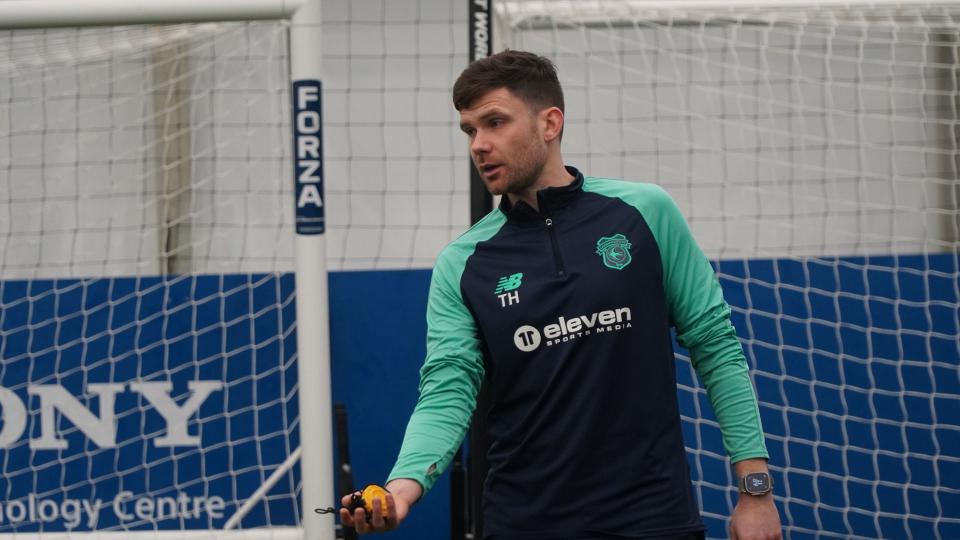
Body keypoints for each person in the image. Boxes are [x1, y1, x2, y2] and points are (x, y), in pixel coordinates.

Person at [340, 49, 782, 540]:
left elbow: (716, 345)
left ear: (550, 123)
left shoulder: (644, 213)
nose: (479, 145)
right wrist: (402, 488)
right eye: (470, 130)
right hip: (524, 524)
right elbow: (448, 388)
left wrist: (755, 490)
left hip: (654, 519)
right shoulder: (462, 263)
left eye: (494, 123)